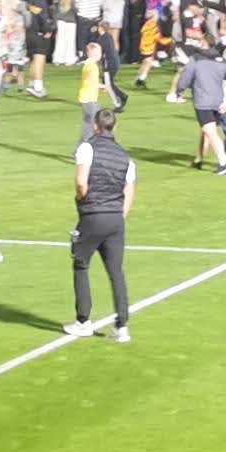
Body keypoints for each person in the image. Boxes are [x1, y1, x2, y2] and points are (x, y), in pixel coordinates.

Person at [66, 102, 136, 341]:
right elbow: (129, 195)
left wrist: (82, 198)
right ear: (113, 127)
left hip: (93, 215)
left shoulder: (87, 148)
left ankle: (83, 321)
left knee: (81, 264)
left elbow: (81, 182)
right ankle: (122, 327)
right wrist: (117, 216)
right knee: (116, 272)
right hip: (116, 219)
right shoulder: (125, 157)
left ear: (95, 126)